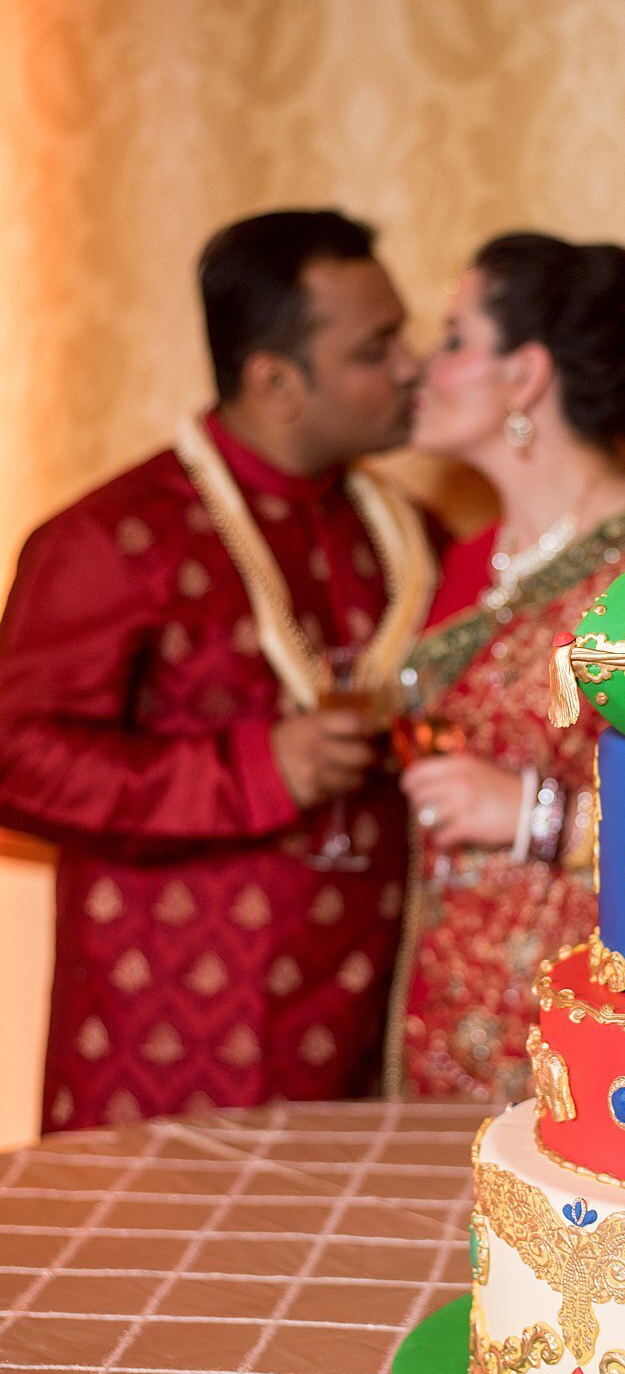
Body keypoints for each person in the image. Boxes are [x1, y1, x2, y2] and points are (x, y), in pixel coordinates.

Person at [0, 209, 442, 1132]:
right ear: (276, 380)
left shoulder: (402, 535)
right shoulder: (116, 540)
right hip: (169, 1034)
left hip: (366, 1028)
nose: (412, 365)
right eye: (376, 348)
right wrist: (254, 769)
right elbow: (17, 758)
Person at [391, 231, 625, 1101]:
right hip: (437, 1001)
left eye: (453, 341)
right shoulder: (462, 564)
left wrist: (529, 812)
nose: (422, 369)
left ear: (525, 376)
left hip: (581, 1030)